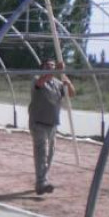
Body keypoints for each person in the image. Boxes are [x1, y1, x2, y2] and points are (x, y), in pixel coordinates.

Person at [28, 59, 75, 195]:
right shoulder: (37, 80)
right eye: (48, 66)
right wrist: (56, 71)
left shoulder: (57, 83)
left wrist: (67, 81)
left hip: (52, 123)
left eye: (53, 66)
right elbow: (40, 83)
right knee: (41, 152)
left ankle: (43, 179)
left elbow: (71, 94)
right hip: (38, 123)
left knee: (50, 153)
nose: (51, 68)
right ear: (42, 68)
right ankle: (41, 182)